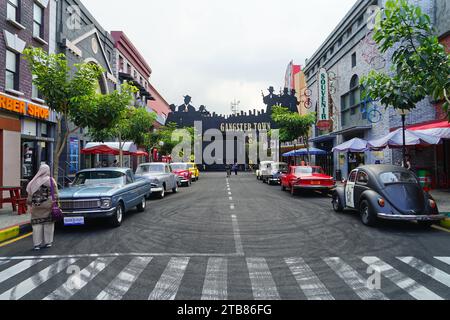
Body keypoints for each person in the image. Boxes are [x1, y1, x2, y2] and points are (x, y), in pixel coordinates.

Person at [26, 164, 58, 251]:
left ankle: (37, 244)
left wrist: (29, 205)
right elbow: (55, 193)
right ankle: (48, 242)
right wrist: (55, 202)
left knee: (36, 225)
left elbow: (29, 196)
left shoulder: (33, 182)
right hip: (48, 205)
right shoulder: (50, 180)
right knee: (48, 224)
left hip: (36, 206)